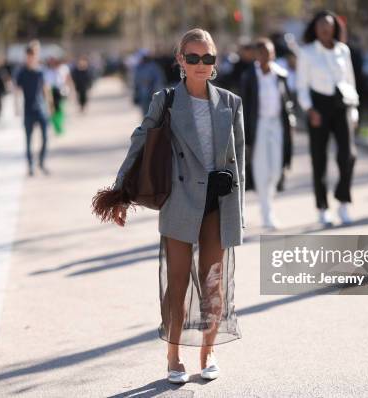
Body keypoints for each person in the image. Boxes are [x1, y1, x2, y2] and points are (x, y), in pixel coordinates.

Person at [109, 28, 244, 384]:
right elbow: (140, 142)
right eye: (194, 57)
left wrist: (237, 210)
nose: (202, 65)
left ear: (215, 62)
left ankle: (208, 351)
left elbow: (238, 163)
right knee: (177, 283)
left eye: (208, 58)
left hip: (217, 202)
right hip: (181, 201)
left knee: (214, 282)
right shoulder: (165, 100)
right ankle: (173, 355)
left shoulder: (231, 103)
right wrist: (120, 189)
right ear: (181, 61)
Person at [296, 10, 359, 227]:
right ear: (315, 28)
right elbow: (301, 86)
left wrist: (354, 110)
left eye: (329, 24)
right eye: (321, 24)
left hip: (342, 105)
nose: (325, 28)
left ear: (335, 27)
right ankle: (322, 207)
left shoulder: (343, 51)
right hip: (318, 108)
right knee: (319, 159)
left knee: (348, 155)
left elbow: (350, 81)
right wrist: (309, 110)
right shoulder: (307, 52)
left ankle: (343, 201)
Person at [240, 37, 294, 229]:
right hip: (259, 126)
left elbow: (287, 102)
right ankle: (266, 211)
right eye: (262, 52)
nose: (266, 56)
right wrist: (244, 134)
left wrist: (291, 122)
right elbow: (244, 107)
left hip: (277, 125)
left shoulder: (279, 75)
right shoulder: (249, 77)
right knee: (261, 168)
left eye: (269, 52)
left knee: (276, 169)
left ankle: (268, 203)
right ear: (256, 55)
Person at [14, 43, 51, 176]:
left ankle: (41, 163)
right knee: (28, 140)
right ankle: (30, 166)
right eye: (29, 56)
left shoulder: (41, 71)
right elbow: (17, 90)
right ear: (26, 56)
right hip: (28, 110)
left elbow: (46, 90)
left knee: (45, 138)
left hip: (41, 109)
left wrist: (49, 106)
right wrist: (16, 107)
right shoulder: (21, 72)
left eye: (33, 56)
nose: (31, 58)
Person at [133, 49, 165, 116]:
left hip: (152, 93)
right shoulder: (138, 68)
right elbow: (136, 82)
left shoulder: (153, 66)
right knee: (145, 113)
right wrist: (135, 94)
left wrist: (157, 92)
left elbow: (159, 80)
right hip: (142, 95)